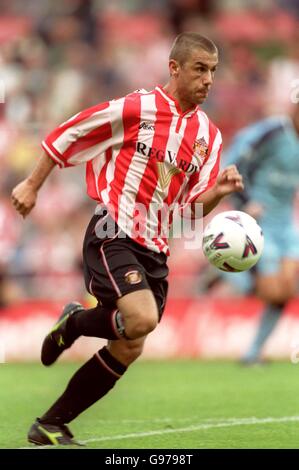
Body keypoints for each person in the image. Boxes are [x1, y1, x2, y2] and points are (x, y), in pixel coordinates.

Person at [11, 32, 243, 446]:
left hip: (155, 246)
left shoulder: (209, 136)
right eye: (200, 69)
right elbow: (69, 133)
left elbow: (188, 210)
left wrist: (218, 193)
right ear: (174, 68)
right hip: (112, 231)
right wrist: (31, 184)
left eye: (213, 71)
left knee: (129, 346)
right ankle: (76, 323)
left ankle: (50, 423)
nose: (209, 80)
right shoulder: (139, 107)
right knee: (142, 319)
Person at [223, 103, 299, 365]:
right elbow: (232, 162)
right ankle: (227, 267)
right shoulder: (272, 132)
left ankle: (253, 353)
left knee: (286, 291)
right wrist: (244, 203)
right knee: (271, 290)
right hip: (259, 221)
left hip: (287, 225)